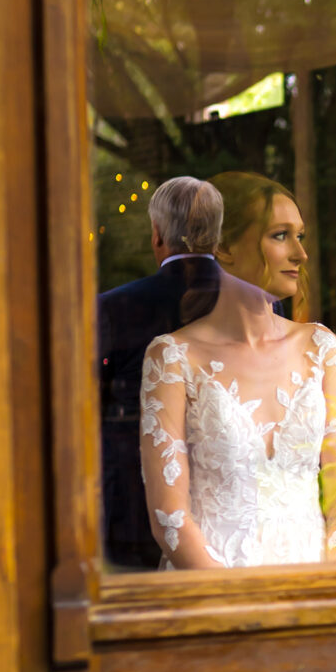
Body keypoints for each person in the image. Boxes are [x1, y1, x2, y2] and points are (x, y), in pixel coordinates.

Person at [140, 171, 336, 568]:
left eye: (301, 236)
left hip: (314, 599)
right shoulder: (172, 359)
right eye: (280, 235)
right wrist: (242, 608)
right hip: (213, 598)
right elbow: (170, 519)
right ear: (224, 247)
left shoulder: (322, 349)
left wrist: (331, 594)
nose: (300, 253)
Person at [99, 176, 224, 569]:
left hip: (134, 503)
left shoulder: (114, 306)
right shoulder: (261, 307)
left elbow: (89, 401)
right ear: (217, 236)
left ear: (157, 235)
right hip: (227, 496)